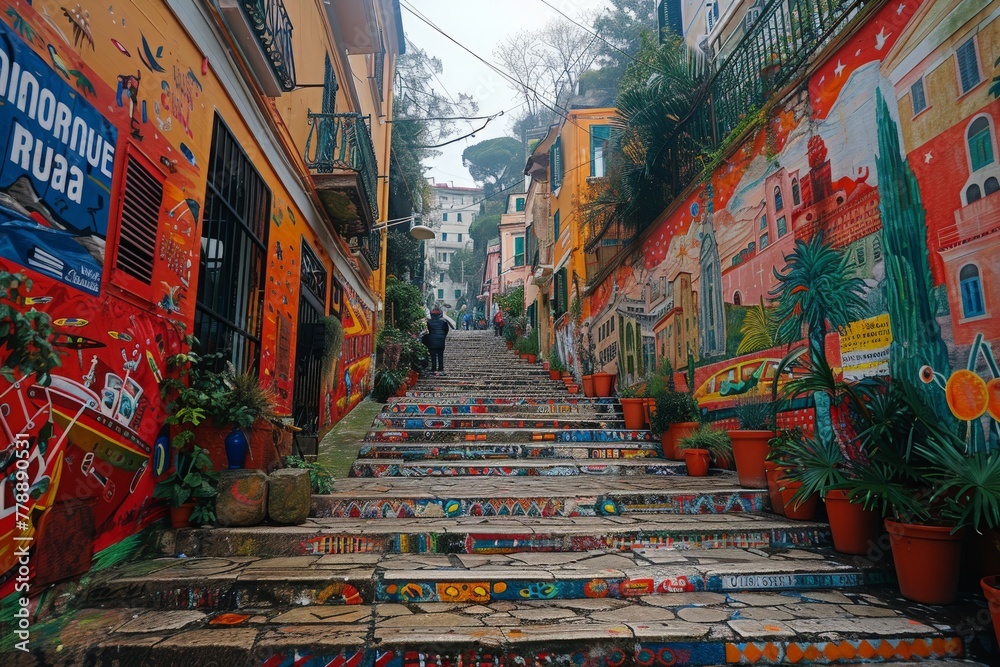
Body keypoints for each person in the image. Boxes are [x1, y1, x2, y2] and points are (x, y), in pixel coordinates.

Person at [426, 307, 451, 373]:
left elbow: (428, 331)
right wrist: (443, 336)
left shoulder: (429, 322)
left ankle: (433, 368)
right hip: (441, 340)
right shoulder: (443, 322)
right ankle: (440, 368)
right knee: (440, 355)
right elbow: (446, 330)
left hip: (431, 341)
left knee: (433, 356)